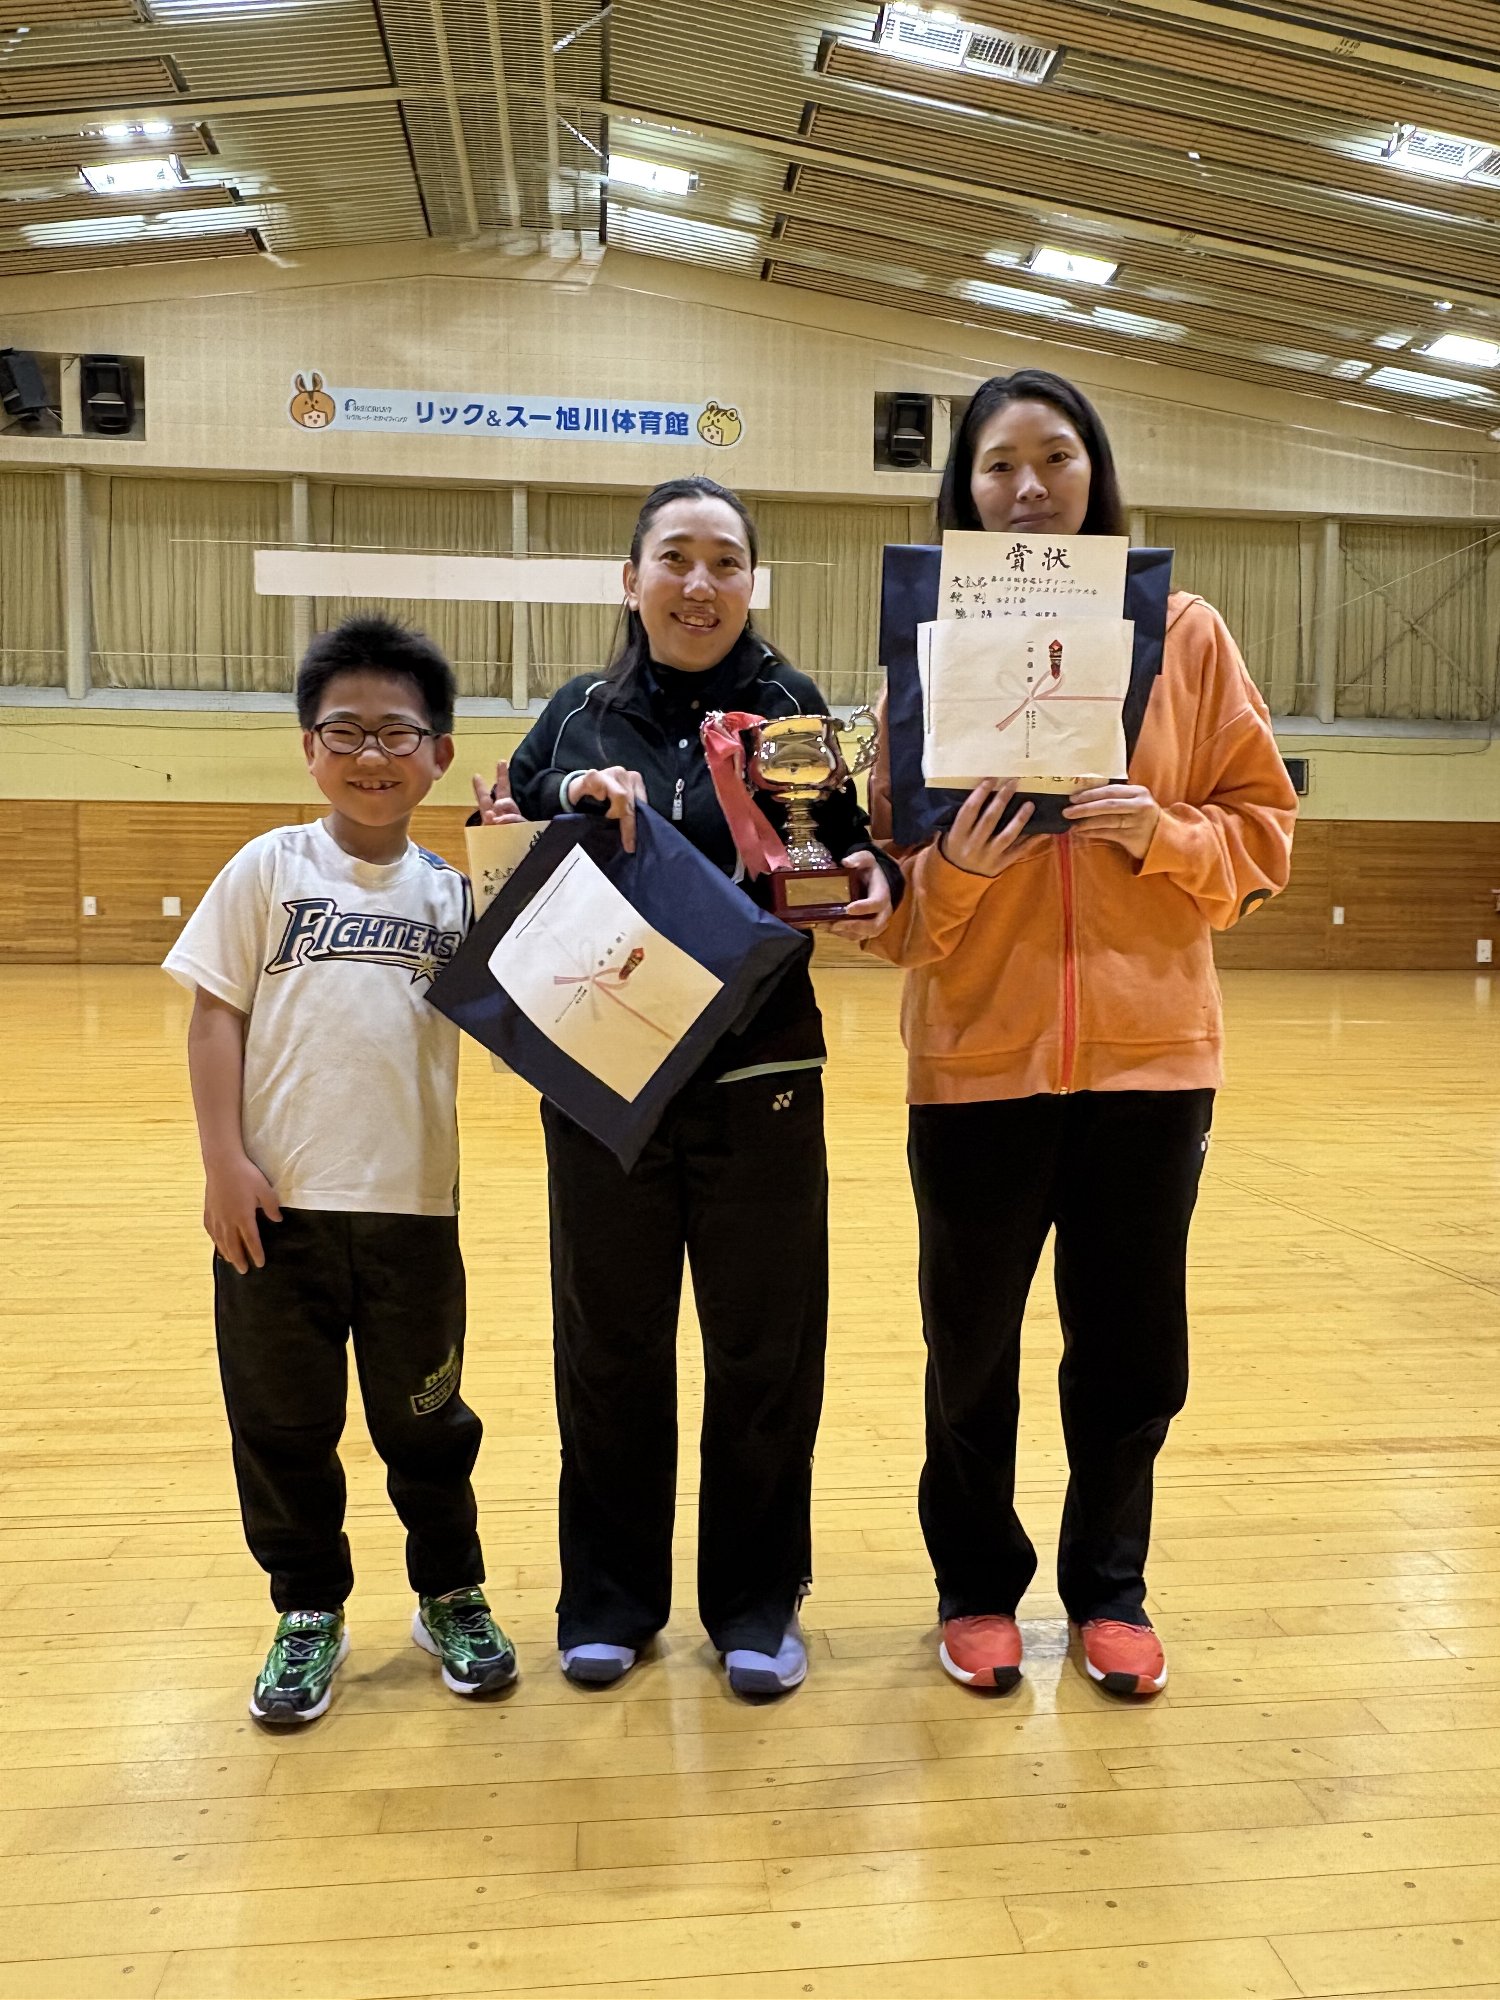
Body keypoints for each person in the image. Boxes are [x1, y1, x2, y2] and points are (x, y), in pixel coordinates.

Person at [864, 370, 1297, 1697]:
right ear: (964, 489)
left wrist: (1161, 832)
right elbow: (884, 904)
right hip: (974, 1068)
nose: (1029, 486)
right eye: (999, 463)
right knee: (970, 1354)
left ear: (1097, 477)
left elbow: (1263, 835)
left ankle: (1111, 1587)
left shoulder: (1190, 637)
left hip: (1151, 1067)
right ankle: (975, 1588)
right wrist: (960, 874)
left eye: (1056, 457)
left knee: (1130, 1352)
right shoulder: (924, 653)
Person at [505, 473, 899, 1697]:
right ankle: (609, 1598)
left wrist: (873, 877)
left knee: (765, 1348)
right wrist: (570, 795)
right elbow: (512, 807)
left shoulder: (791, 708)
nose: (700, 582)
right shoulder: (575, 714)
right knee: (608, 1343)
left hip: (760, 1070)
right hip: (604, 1070)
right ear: (631, 580)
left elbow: (840, 842)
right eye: (675, 557)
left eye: (726, 561)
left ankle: (756, 1602)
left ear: (751, 583)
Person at [164, 613, 516, 1726]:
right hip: (275, 1211)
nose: (373, 754)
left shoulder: (452, 895)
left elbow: (529, 1013)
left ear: (439, 754)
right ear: (309, 748)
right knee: (282, 1424)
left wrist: (517, 865)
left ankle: (449, 1591)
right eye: (346, 731)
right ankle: (308, 1604)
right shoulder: (268, 867)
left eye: (397, 732)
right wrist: (223, 1161)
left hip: (413, 1211)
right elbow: (215, 1016)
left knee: (427, 1423)